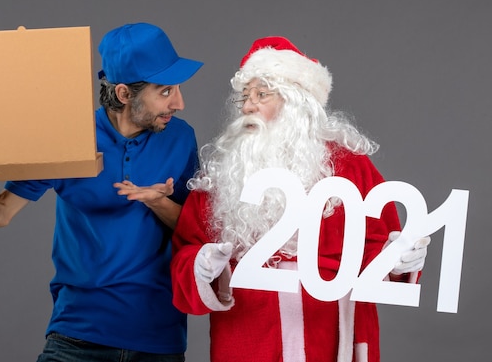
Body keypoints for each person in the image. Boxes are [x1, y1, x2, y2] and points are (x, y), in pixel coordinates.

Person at [0, 22, 203, 362]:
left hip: (158, 337)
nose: (179, 102)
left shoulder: (180, 138)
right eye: (165, 91)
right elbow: (1, 212)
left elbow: (193, 229)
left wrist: (157, 202)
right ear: (124, 94)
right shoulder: (70, 136)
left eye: (177, 88)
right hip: (78, 334)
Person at [170, 36, 430, 362]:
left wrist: (398, 261)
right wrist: (201, 265)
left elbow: (380, 244)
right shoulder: (223, 173)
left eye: (261, 94)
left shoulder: (349, 164)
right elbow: (184, 252)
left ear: (296, 102)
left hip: (332, 338)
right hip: (249, 340)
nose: (248, 106)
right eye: (244, 97)